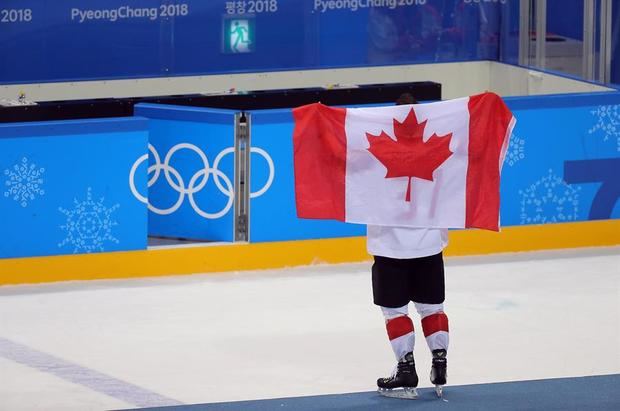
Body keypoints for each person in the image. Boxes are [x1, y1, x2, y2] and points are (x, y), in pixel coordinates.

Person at [371, 92, 450, 399]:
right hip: (429, 244)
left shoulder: (375, 153)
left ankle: (406, 367)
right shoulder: (441, 154)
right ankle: (439, 361)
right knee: (433, 307)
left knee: (394, 312)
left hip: (390, 245)